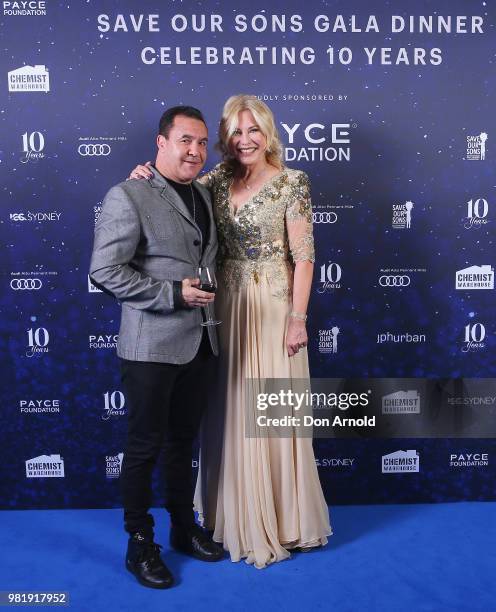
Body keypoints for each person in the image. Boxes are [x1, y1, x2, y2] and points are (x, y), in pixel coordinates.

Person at [130, 95, 332, 569]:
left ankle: (283, 521)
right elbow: (168, 188)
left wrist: (297, 319)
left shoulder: (292, 183)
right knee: (229, 412)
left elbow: (303, 257)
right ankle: (232, 516)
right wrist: (142, 177)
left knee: (273, 411)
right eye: (235, 132)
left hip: (273, 309)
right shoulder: (212, 182)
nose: (244, 140)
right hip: (222, 310)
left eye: (253, 130)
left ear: (268, 132)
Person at [90, 106, 224, 590]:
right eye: (185, 140)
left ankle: (183, 529)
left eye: (202, 142)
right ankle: (139, 542)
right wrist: (172, 294)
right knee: (144, 446)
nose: (195, 150)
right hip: (150, 346)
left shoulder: (206, 193)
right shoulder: (128, 193)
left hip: (202, 341)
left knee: (182, 444)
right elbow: (104, 271)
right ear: (161, 142)